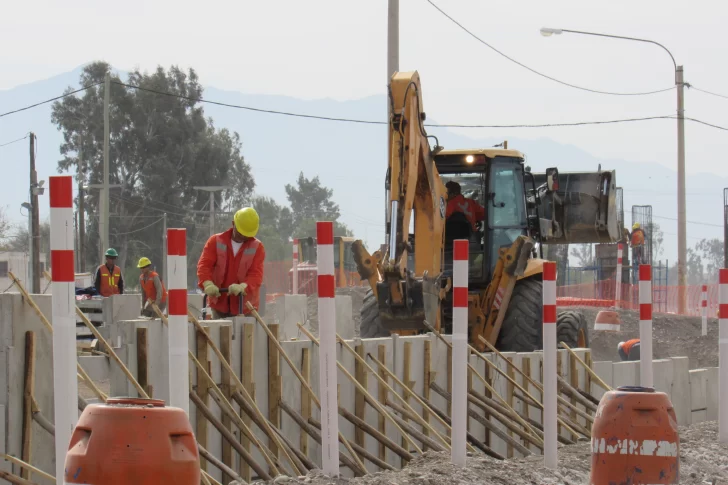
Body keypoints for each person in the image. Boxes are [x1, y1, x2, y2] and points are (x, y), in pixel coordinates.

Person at [197, 207, 265, 318]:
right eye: (240, 233)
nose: (243, 237)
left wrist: (243, 286)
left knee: (244, 335)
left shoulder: (257, 247)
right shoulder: (215, 241)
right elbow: (204, 266)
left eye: (246, 235)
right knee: (219, 334)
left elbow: (256, 275)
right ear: (233, 224)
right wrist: (207, 283)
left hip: (246, 307)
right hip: (219, 304)